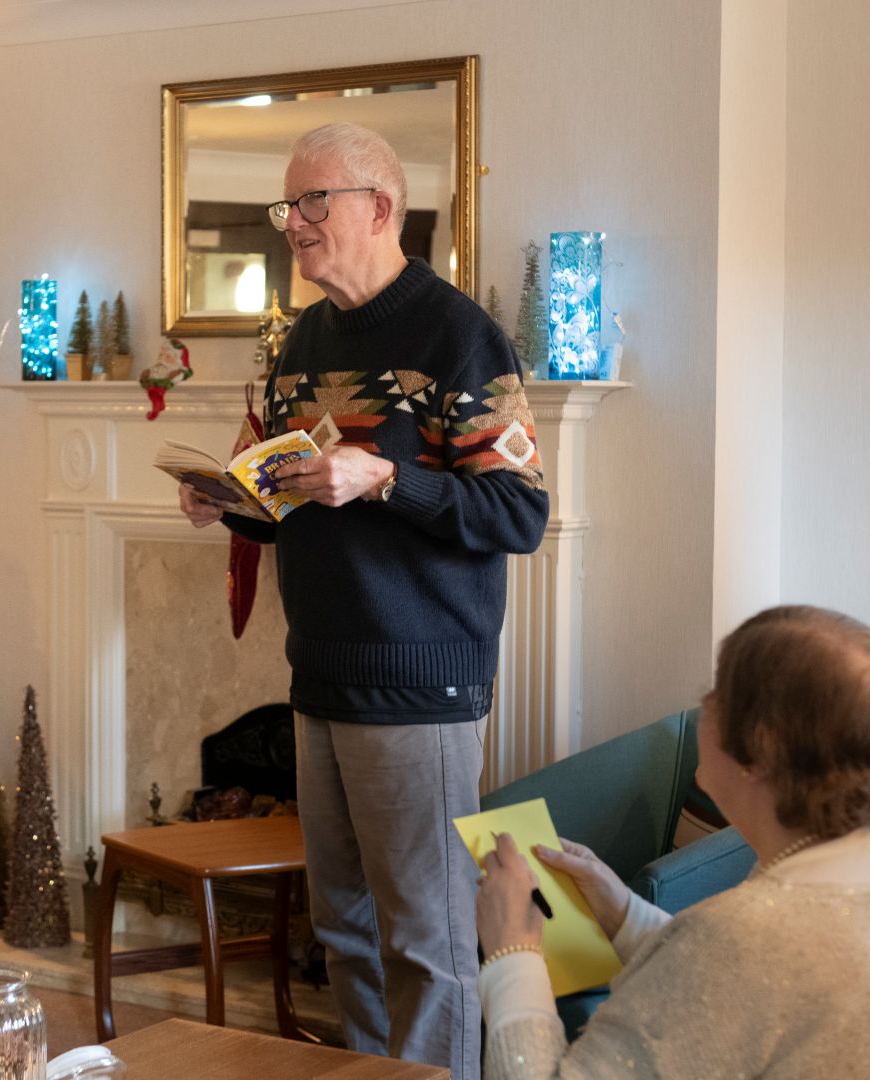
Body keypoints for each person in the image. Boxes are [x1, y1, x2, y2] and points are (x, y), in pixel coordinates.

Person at [178, 122, 549, 1078]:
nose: (291, 225)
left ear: (380, 209)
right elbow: (296, 504)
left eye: (312, 204)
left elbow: (518, 511)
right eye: (286, 207)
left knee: (426, 944)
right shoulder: (301, 340)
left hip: (422, 685)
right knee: (343, 934)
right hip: (322, 677)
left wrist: (386, 479)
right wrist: (231, 501)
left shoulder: (461, 336)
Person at [475, 605, 870, 1078]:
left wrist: (511, 951)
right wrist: (621, 911)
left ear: (757, 749)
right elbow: (758, 989)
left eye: (716, 695)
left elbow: (742, 963)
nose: (703, 704)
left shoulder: (746, 935)